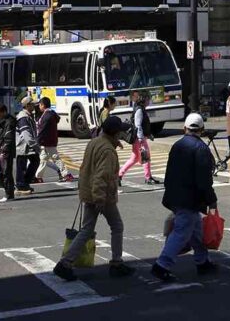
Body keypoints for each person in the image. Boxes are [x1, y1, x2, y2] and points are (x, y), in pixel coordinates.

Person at [53, 115, 132, 281]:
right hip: (101, 196)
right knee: (117, 226)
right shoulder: (107, 151)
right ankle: (116, 263)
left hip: (88, 193)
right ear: (115, 133)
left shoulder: (95, 142)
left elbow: (86, 169)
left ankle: (65, 263)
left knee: (86, 229)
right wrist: (100, 200)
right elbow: (101, 177)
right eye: (120, 132)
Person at [152, 113, 218, 282]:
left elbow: (169, 172)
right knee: (181, 232)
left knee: (195, 229)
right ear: (202, 130)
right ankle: (162, 264)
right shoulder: (201, 149)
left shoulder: (177, 145)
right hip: (190, 197)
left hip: (175, 194)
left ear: (185, 128)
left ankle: (202, 261)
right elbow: (204, 180)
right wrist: (211, 200)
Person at [119, 91, 159, 186]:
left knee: (134, 158)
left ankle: (119, 175)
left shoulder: (140, 109)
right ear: (143, 99)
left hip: (138, 137)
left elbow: (143, 125)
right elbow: (138, 125)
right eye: (148, 99)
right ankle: (148, 177)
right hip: (139, 138)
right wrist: (141, 139)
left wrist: (149, 135)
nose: (149, 101)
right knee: (145, 157)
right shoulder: (139, 110)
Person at [36, 97, 74, 184]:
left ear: (43, 105)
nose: (39, 107)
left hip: (47, 141)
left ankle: (66, 174)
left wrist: (37, 141)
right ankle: (38, 176)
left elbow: (42, 130)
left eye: (40, 105)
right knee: (43, 159)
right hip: (50, 140)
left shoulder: (46, 116)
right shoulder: (52, 113)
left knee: (55, 158)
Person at [14, 96, 41, 196]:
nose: (34, 105)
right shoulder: (23, 117)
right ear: (27, 105)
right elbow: (26, 134)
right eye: (32, 104)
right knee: (22, 166)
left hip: (27, 146)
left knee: (35, 161)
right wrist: (36, 146)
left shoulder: (28, 116)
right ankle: (21, 185)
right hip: (22, 145)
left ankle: (24, 183)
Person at [0, 104, 17, 203]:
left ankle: (9, 194)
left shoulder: (9, 122)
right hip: (0, 151)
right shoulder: (2, 122)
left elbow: (8, 139)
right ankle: (9, 189)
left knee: (6, 173)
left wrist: (4, 151)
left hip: (5, 153)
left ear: (4, 112)